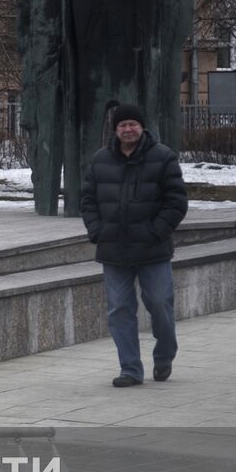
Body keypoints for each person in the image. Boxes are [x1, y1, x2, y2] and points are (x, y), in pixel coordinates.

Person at [80, 104, 188, 387]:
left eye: (132, 124)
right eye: (122, 125)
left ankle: (164, 355)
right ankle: (130, 369)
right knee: (119, 310)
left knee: (160, 304)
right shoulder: (100, 160)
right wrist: (97, 231)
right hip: (113, 250)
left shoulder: (163, 157)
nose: (128, 129)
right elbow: (88, 201)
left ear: (142, 127)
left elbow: (176, 203)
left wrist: (156, 231)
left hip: (152, 249)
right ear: (115, 130)